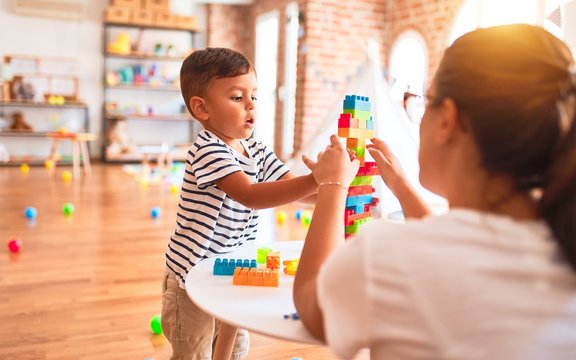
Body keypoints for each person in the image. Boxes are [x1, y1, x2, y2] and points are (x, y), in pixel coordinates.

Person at [294, 24, 576, 359]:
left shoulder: (386, 258)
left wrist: (333, 185)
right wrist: (399, 184)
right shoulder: (561, 243)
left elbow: (313, 303)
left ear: (448, 120)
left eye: (425, 100)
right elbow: (455, 246)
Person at [162, 47, 317, 360]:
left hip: (232, 270)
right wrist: (318, 180)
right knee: (193, 351)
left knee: (235, 349)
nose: (251, 106)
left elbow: (290, 187)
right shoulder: (208, 151)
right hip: (191, 277)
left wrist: (337, 188)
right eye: (237, 97)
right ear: (201, 108)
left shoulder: (256, 149)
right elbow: (251, 195)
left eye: (254, 97)